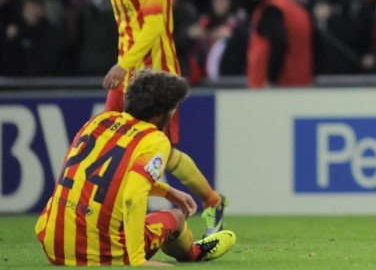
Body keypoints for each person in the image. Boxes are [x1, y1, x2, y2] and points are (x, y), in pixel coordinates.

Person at [88, 0, 227, 236]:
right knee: (106, 145)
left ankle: (213, 202)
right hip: (128, 74)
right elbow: (129, 28)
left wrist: (124, 64)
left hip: (156, 78)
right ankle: (108, 217)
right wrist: (123, 67)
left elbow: (153, 27)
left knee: (160, 152)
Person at [35, 69, 236, 266]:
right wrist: (138, 260)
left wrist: (166, 191)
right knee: (175, 217)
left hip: (52, 244)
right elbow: (133, 196)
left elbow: (96, 175)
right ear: (158, 115)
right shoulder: (154, 139)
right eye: (173, 108)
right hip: (98, 255)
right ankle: (194, 252)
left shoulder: (99, 121)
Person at [245, 0, 313, 88]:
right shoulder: (299, 10)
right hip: (300, 85)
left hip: (275, 88)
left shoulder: (272, 8)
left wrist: (271, 79)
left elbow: (279, 44)